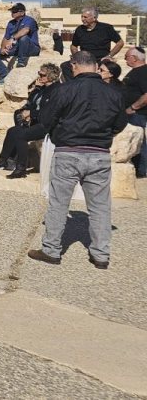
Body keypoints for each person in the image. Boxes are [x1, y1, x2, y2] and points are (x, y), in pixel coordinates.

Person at [28, 51, 128, 269]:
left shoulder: (65, 89)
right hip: (99, 153)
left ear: (74, 65)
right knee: (100, 206)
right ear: (94, 66)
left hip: (68, 151)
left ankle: (51, 250)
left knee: (58, 203)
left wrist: (58, 133)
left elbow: (46, 119)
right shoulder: (113, 93)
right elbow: (120, 123)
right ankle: (101, 255)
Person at [0, 63, 61, 178]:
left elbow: (49, 112)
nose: (39, 76)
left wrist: (32, 113)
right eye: (39, 73)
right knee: (12, 131)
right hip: (36, 121)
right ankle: (3, 160)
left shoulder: (56, 90)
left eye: (42, 75)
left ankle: (21, 168)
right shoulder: (42, 88)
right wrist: (36, 88)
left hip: (47, 125)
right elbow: (32, 102)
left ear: (51, 76)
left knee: (21, 135)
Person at [0, 2, 41, 85]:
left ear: (22, 12)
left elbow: (25, 30)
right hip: (17, 48)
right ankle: (5, 76)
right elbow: (6, 37)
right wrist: (2, 48)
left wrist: (13, 38)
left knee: (24, 38)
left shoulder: (29, 20)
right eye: (12, 11)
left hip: (31, 48)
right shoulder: (11, 23)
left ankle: (21, 62)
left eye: (14, 11)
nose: (12, 13)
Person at [65, 7, 123, 80]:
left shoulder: (106, 28)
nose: (82, 19)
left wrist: (109, 56)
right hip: (85, 59)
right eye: (82, 17)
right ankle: (73, 87)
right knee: (65, 66)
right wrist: (76, 56)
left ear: (94, 18)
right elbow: (73, 46)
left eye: (85, 17)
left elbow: (120, 43)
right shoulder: (79, 29)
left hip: (101, 59)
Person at [122, 46, 147, 178]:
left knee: (139, 142)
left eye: (126, 57)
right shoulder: (135, 72)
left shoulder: (143, 72)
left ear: (134, 58)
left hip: (137, 114)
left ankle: (142, 170)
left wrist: (133, 108)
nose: (125, 59)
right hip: (131, 113)